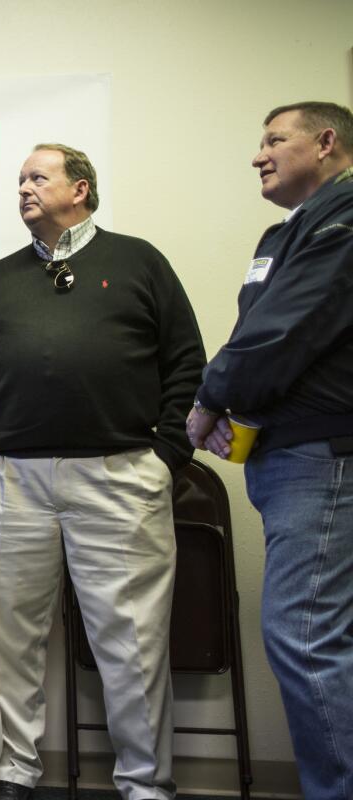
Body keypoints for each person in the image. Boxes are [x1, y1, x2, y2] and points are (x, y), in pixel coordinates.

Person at [0, 144, 204, 800]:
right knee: (9, 640)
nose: (23, 188)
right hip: (5, 480)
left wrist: (166, 453)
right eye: (20, 179)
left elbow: (186, 362)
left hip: (119, 476)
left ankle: (146, 785)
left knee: (133, 642)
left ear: (80, 189)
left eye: (38, 177)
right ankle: (13, 774)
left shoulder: (139, 261)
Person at [187, 101, 353, 800]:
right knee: (317, 639)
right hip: (291, 454)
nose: (259, 155)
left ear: (325, 141)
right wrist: (234, 404)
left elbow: (287, 329)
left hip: (324, 456)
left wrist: (208, 400)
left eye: (273, 140)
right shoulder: (284, 233)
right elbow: (260, 328)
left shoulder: (343, 220)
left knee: (306, 638)